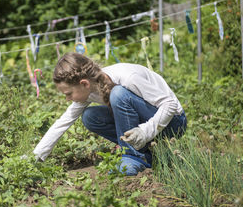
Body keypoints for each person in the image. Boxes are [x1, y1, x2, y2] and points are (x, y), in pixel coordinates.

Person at [33, 52, 187, 176]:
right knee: (90, 117)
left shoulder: (127, 77)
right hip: (149, 123)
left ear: (84, 84)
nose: (67, 99)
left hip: (173, 122)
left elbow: (170, 105)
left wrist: (145, 132)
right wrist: (37, 156)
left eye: (68, 93)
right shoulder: (90, 88)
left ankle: (134, 156)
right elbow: (64, 121)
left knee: (118, 94)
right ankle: (147, 153)